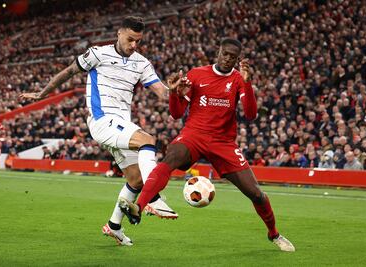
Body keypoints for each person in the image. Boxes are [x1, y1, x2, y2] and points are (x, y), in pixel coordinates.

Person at [119, 38, 295, 252]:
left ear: (237, 59)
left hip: (223, 143)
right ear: (218, 52)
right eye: (224, 53)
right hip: (194, 135)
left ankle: (274, 234)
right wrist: (175, 93)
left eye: (232, 56)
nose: (227, 58)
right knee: (170, 158)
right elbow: (176, 114)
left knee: (256, 193)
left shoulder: (239, 79)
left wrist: (248, 84)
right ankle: (138, 207)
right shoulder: (196, 74)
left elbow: (250, 115)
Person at [20, 16, 178, 246]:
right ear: (119, 33)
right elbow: (68, 72)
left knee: (135, 179)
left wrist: (173, 91)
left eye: (138, 41)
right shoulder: (98, 54)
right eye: (130, 39)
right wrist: (42, 94)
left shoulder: (142, 63)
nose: (134, 45)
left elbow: (162, 93)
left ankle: (114, 226)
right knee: (147, 140)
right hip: (103, 121)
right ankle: (153, 199)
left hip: (121, 125)